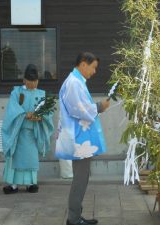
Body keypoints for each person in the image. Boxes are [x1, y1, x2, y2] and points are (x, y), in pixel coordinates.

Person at [55, 52, 110, 225]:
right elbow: (78, 109)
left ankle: (76, 216)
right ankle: (73, 219)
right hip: (78, 139)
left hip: (79, 137)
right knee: (80, 179)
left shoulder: (76, 81)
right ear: (83, 64)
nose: (94, 72)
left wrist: (98, 107)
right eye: (93, 67)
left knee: (82, 178)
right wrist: (100, 106)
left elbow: (80, 107)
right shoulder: (74, 82)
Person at [1, 64, 54, 194]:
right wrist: (25, 114)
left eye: (35, 81)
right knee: (14, 158)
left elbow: (48, 113)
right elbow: (12, 109)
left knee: (31, 158)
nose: (33, 84)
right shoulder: (16, 92)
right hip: (17, 133)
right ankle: (13, 185)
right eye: (30, 81)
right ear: (24, 80)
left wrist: (40, 117)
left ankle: (31, 183)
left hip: (32, 133)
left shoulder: (42, 94)